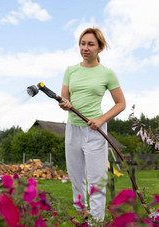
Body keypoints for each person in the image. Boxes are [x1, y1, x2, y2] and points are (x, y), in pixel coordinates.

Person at [59, 27, 126, 223]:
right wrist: (65, 104)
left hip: (95, 131)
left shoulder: (107, 73)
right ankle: (82, 218)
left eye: (90, 44)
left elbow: (121, 103)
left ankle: (96, 223)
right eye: (82, 43)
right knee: (76, 180)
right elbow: (64, 99)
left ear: (100, 48)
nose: (85, 48)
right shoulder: (70, 70)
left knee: (96, 182)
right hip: (73, 129)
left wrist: (101, 119)